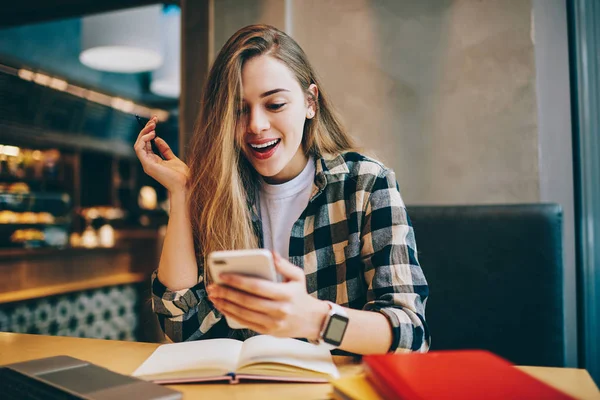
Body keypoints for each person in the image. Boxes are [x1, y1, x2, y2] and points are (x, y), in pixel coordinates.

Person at [134, 24, 429, 354]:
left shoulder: (364, 184)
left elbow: (410, 334)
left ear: (310, 103)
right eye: (239, 110)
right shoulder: (219, 194)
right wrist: (181, 193)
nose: (256, 125)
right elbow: (180, 324)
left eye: (274, 105)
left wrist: (316, 320)